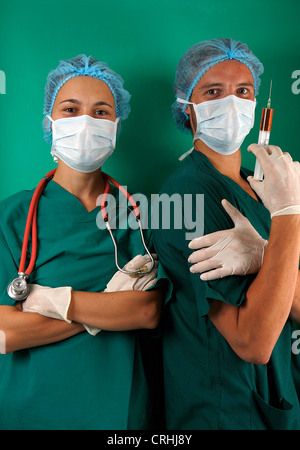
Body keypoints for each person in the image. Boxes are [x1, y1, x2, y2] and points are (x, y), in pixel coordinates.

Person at [0, 55, 171, 430]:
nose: (85, 122)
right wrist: (110, 310)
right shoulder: (11, 218)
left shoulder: (143, 216)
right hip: (31, 412)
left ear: (116, 125)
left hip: (120, 414)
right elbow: (5, 332)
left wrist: (49, 303)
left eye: (101, 112)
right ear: (49, 121)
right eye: (71, 109)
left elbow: (148, 312)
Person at [152, 38, 300, 430]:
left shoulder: (261, 187)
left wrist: (267, 251)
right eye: (213, 91)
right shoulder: (188, 197)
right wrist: (288, 219)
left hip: (273, 398)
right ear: (189, 107)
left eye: (243, 91)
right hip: (223, 409)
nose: (232, 103)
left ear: (258, 105)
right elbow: (253, 341)